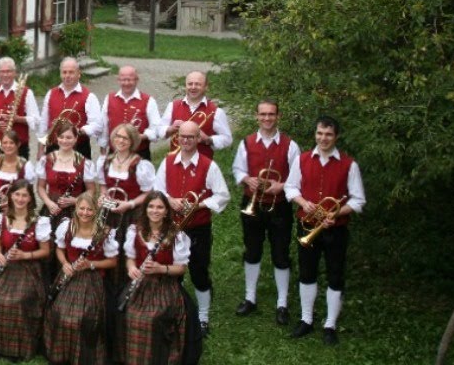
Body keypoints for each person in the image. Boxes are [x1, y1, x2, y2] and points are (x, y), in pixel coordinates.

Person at [285, 116, 366, 346]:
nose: (323, 138)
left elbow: (358, 200)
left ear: (336, 137)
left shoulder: (349, 165)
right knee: (307, 272)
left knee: (335, 275)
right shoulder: (301, 160)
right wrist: (303, 202)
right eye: (320, 133)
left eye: (328, 134)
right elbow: (291, 188)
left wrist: (336, 214)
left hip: (335, 230)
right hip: (307, 225)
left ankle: (330, 324)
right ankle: (306, 319)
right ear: (315, 134)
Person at [154, 120, 231, 337]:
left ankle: (203, 318)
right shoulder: (167, 162)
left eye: (191, 137)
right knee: (171, 272)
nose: (186, 140)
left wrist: (199, 205)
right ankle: (172, 312)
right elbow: (157, 189)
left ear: (198, 139)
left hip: (198, 228)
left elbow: (223, 196)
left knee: (199, 271)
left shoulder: (209, 165)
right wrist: (169, 200)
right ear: (176, 138)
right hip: (172, 228)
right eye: (182, 136)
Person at [231, 100, 300, 325]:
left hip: (279, 206)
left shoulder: (290, 145)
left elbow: (297, 177)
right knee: (252, 250)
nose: (267, 118)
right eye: (263, 114)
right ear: (257, 116)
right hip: (252, 203)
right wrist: (246, 178)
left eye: (271, 114)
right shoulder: (247, 143)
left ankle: (282, 303)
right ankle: (250, 297)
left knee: (280, 254)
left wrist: (282, 186)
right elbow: (237, 169)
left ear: (278, 117)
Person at [0, 179, 52, 360]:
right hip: (6, 266)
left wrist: (25, 256)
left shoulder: (38, 221)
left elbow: (45, 251)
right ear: (10, 197)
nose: (20, 198)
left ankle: (17, 347)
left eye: (24, 195)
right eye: (17, 194)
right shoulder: (2, 219)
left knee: (17, 300)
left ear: (30, 199)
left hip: (28, 269)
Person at [45, 191, 119, 365]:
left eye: (89, 209)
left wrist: (90, 264)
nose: (85, 213)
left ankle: (82, 356)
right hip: (70, 275)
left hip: (93, 279)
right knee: (59, 313)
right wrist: (64, 264)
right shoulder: (67, 226)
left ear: (96, 211)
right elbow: (59, 250)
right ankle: (63, 354)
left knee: (83, 318)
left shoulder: (104, 232)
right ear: (76, 208)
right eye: (81, 208)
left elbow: (113, 262)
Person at [122, 191, 192, 365]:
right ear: (145, 209)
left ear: (167, 211)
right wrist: (131, 267)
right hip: (140, 284)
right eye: (151, 206)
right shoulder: (134, 230)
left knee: (153, 318)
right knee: (130, 314)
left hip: (165, 285)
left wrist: (161, 268)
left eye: (160, 207)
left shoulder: (176, 235)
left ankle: (157, 358)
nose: (155, 210)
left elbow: (182, 268)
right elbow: (130, 257)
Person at [97, 123, 156, 305]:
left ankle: (127, 293)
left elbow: (148, 192)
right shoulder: (105, 161)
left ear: (132, 141)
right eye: (117, 137)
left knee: (126, 250)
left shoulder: (140, 165)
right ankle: (107, 292)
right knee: (106, 250)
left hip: (130, 214)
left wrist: (128, 204)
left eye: (125, 138)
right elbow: (103, 185)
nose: (120, 141)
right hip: (109, 212)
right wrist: (102, 197)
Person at [37, 122, 95, 234]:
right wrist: (49, 203)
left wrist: (76, 201)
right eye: (61, 137)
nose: (64, 141)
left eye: (69, 137)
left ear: (75, 139)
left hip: (76, 209)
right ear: (57, 138)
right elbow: (40, 187)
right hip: (51, 208)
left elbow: (91, 190)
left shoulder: (84, 162)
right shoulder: (46, 160)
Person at [39, 57, 105, 156]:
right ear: (60, 74)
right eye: (64, 72)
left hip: (78, 149)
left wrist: (81, 130)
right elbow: (43, 124)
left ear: (79, 74)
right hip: (53, 147)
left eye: (71, 72)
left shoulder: (89, 97)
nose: (67, 76)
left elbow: (98, 125)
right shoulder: (50, 94)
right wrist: (40, 150)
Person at [160, 71, 232, 160]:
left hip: (203, 164)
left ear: (206, 87)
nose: (193, 87)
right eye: (190, 84)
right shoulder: (172, 106)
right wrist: (171, 129)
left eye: (198, 84)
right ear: (185, 86)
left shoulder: (217, 112)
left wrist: (207, 139)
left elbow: (228, 139)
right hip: (175, 162)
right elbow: (159, 131)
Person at [0, 57, 39, 155]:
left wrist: (17, 118)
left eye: (8, 71)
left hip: (19, 147)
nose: (5, 75)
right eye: (2, 72)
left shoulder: (26, 92)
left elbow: (36, 120)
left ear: (14, 72)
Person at [105, 66, 160, 160]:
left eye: (130, 80)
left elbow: (156, 128)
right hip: (115, 152)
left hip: (139, 153)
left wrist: (140, 137)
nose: (126, 83)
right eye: (123, 80)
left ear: (137, 80)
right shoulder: (109, 98)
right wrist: (103, 150)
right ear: (118, 80)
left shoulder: (149, 101)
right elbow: (104, 126)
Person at [0, 129, 36, 197]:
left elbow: (29, 193)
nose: (8, 146)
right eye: (5, 143)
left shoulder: (26, 166)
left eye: (11, 143)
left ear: (18, 144)